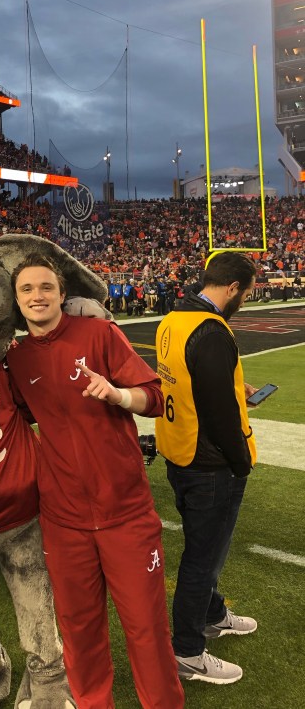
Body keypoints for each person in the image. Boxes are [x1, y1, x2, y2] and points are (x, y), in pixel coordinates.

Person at [7, 254, 184, 709]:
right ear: (16, 299)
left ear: (62, 294)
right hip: (63, 520)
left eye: (45, 287)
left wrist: (117, 394)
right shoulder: (16, 358)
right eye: (27, 290)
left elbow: (154, 397)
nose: (37, 296)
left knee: (146, 629)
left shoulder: (99, 333)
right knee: (79, 631)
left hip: (125, 511)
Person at [155, 251, 258, 685]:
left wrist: (236, 387)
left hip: (180, 453)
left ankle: (213, 615)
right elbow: (220, 414)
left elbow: (191, 379)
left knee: (204, 555)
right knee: (202, 560)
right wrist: (241, 463)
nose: (244, 301)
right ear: (232, 288)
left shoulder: (173, 319)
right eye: (246, 293)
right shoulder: (212, 330)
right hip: (210, 463)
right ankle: (188, 652)